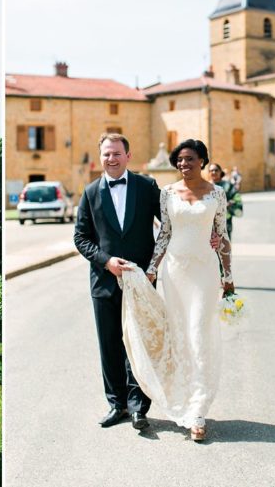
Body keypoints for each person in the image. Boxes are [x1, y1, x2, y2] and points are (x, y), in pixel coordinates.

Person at [119, 139, 233, 442]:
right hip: (175, 273)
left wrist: (229, 277)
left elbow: (221, 237)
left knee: (198, 334)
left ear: (203, 161)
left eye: (190, 159)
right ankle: (183, 399)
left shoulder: (218, 194)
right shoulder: (168, 193)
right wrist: (152, 269)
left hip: (205, 274)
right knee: (179, 336)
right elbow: (165, 233)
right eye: (179, 160)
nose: (184, 164)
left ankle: (198, 411)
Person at [73, 133, 162, 431]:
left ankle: (139, 407)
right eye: (106, 154)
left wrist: (153, 268)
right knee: (109, 345)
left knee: (138, 344)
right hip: (104, 282)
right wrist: (105, 261)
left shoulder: (147, 187)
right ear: (101, 157)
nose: (111, 159)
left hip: (141, 281)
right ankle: (117, 404)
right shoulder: (90, 192)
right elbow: (81, 238)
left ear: (128, 155)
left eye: (116, 153)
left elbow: (169, 225)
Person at [208, 163, 242, 238]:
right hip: (209, 223)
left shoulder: (228, 185)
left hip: (225, 221)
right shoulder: (206, 187)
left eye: (216, 170)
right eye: (211, 170)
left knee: (225, 245)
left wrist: (227, 204)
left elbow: (236, 199)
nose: (213, 172)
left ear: (220, 172)